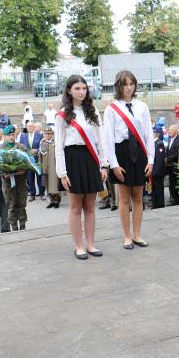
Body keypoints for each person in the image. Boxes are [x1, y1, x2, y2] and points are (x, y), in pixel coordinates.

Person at [55, 75, 107, 259]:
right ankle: (79, 246)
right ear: (69, 90)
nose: (81, 92)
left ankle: (91, 244)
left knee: (90, 206)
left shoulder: (93, 111)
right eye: (77, 88)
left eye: (84, 88)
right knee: (76, 207)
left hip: (91, 158)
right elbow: (59, 146)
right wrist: (62, 173)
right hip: (73, 159)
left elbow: (101, 141)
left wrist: (104, 165)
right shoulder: (63, 115)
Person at [102, 70, 154, 251]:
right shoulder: (111, 108)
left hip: (139, 153)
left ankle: (137, 234)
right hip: (121, 152)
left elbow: (148, 134)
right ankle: (126, 236)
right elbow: (107, 138)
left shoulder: (142, 107)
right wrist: (114, 164)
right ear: (118, 86)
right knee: (124, 198)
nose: (129, 88)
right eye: (125, 84)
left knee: (138, 197)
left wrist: (151, 160)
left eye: (132, 84)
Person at [0, 125, 29, 231]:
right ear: (4, 136)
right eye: (9, 135)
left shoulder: (21, 147)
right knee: (11, 205)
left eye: (13, 135)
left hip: (20, 182)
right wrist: (4, 173)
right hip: (8, 184)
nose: (11, 137)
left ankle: (22, 225)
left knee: (21, 203)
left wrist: (24, 170)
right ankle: (14, 227)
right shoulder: (0, 149)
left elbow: (29, 162)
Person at [19, 122, 44, 201]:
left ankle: (42, 193)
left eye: (31, 126)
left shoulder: (39, 135)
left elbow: (42, 146)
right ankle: (32, 194)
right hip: (28, 161)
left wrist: (36, 150)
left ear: (34, 127)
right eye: (28, 126)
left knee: (40, 176)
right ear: (26, 127)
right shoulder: (23, 136)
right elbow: (20, 147)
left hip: (38, 160)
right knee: (30, 178)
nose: (29, 128)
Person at [39, 127, 62, 208]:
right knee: (47, 184)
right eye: (46, 134)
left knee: (55, 184)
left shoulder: (55, 142)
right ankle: (51, 201)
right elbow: (40, 155)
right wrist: (40, 166)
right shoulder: (42, 142)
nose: (48, 135)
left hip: (54, 166)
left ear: (52, 134)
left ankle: (57, 201)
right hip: (45, 166)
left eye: (49, 134)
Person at [165, 124, 179, 205]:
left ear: (176, 131)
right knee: (171, 184)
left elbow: (177, 153)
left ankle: (178, 200)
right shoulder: (170, 140)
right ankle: (173, 199)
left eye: (171, 130)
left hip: (176, 167)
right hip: (169, 166)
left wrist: (168, 159)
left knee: (176, 184)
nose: (169, 131)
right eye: (169, 130)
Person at [151, 126, 166, 209]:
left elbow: (160, 160)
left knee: (158, 188)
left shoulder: (159, 143)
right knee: (154, 188)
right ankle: (155, 203)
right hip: (153, 171)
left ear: (156, 134)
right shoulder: (153, 143)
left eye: (153, 133)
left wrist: (155, 172)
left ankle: (160, 204)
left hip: (158, 171)